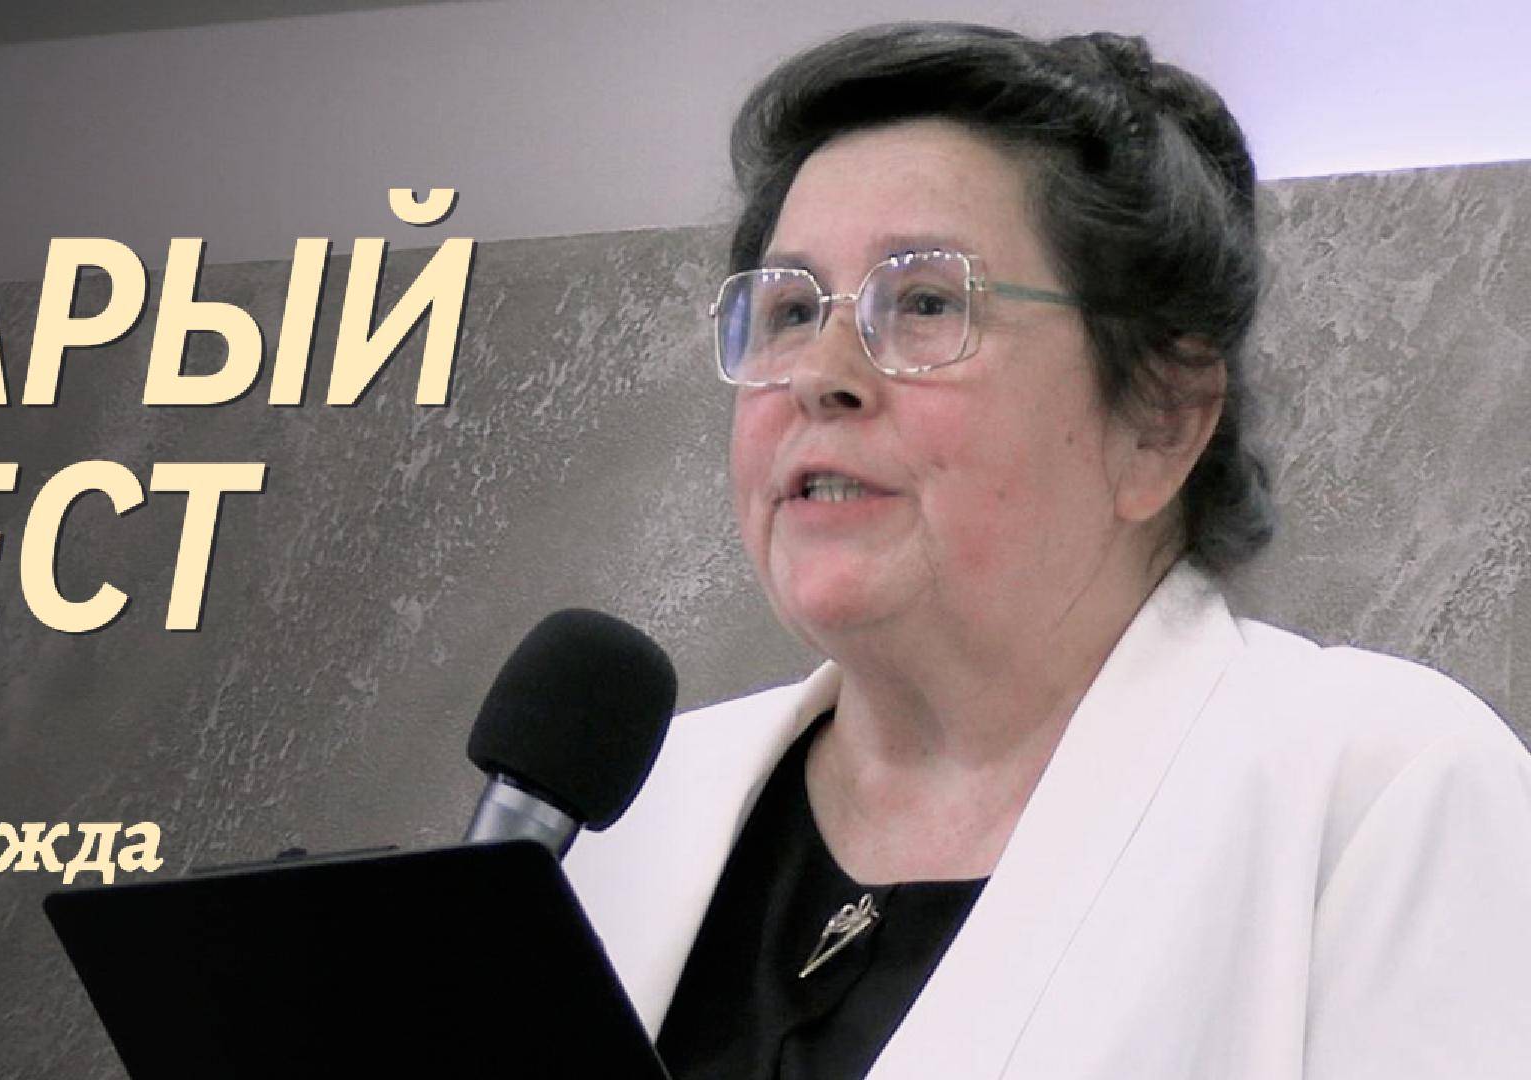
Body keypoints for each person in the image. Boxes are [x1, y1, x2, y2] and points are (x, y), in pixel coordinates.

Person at [562, 22, 1531, 1080]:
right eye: (790, 310)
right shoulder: (624, 816)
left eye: (925, 303)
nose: (819, 375)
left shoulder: (1378, 792)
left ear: (1160, 420)